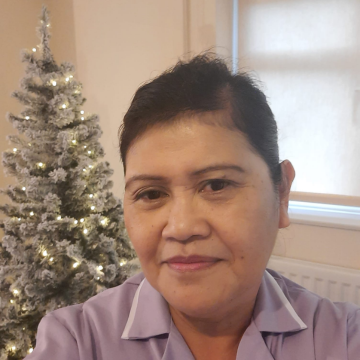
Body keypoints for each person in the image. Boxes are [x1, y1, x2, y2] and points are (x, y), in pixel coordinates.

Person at [26, 54, 360, 360]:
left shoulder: (342, 339)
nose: (182, 227)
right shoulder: (78, 341)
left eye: (216, 185)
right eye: (151, 194)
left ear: (282, 192)